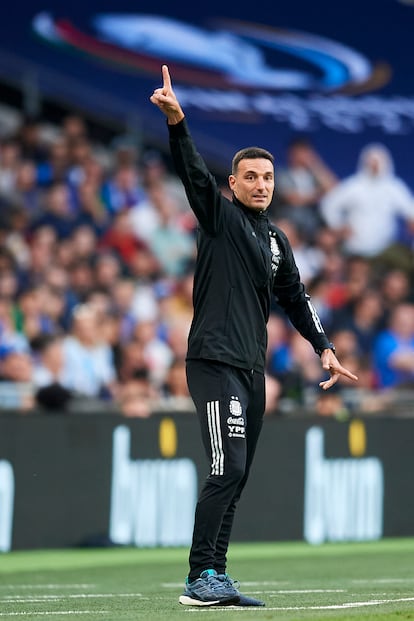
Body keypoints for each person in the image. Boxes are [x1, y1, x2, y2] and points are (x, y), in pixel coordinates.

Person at [150, 65, 358, 608]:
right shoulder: (217, 217)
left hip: (251, 368)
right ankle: (200, 577)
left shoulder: (277, 241)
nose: (261, 184)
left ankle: (216, 572)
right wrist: (178, 124)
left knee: (237, 477)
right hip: (214, 361)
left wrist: (325, 348)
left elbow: (296, 298)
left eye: (268, 178)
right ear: (234, 184)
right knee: (228, 467)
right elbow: (193, 174)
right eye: (251, 177)